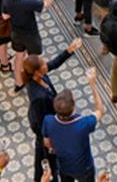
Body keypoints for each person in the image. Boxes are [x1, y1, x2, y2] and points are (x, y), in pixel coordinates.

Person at [24, 38, 83, 182]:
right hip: (48, 134)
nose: (46, 64)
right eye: (43, 64)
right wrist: (49, 141)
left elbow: (53, 64)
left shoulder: (40, 76)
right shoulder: (38, 96)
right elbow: (41, 123)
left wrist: (69, 51)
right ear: (37, 72)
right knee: (46, 162)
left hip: (53, 127)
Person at [41, 68, 105, 182]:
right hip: (84, 168)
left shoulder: (48, 121)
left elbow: (47, 143)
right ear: (73, 107)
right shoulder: (83, 124)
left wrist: (59, 148)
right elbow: (100, 110)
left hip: (64, 165)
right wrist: (93, 84)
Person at [3, 0, 53, 92]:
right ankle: (37, 82)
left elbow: (5, 16)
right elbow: (47, 3)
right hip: (31, 35)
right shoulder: (28, 2)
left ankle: (18, 82)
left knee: (19, 57)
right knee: (35, 60)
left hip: (16, 33)